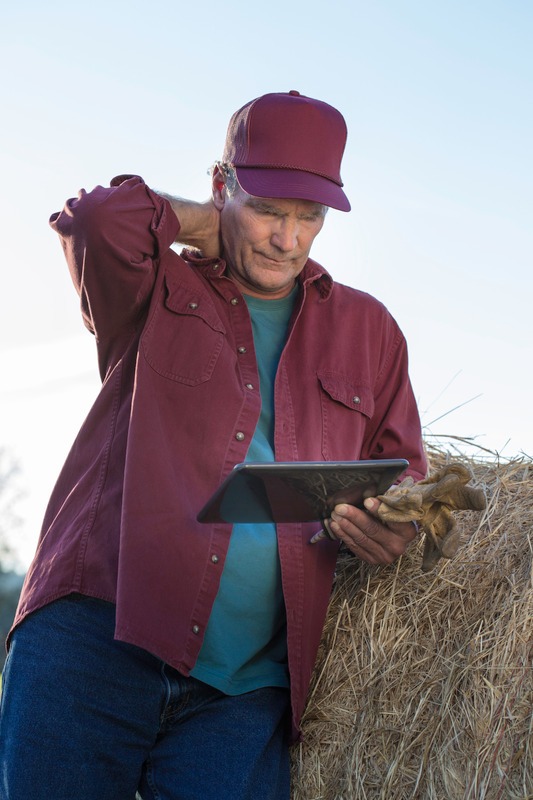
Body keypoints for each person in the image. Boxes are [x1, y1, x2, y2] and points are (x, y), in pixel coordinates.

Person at [0, 90, 427, 800]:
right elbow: (98, 220)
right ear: (222, 183)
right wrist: (204, 224)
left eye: (308, 217)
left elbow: (407, 472)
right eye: (268, 209)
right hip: (94, 643)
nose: (286, 240)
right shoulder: (157, 282)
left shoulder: (369, 331)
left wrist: (396, 526)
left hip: (244, 691)